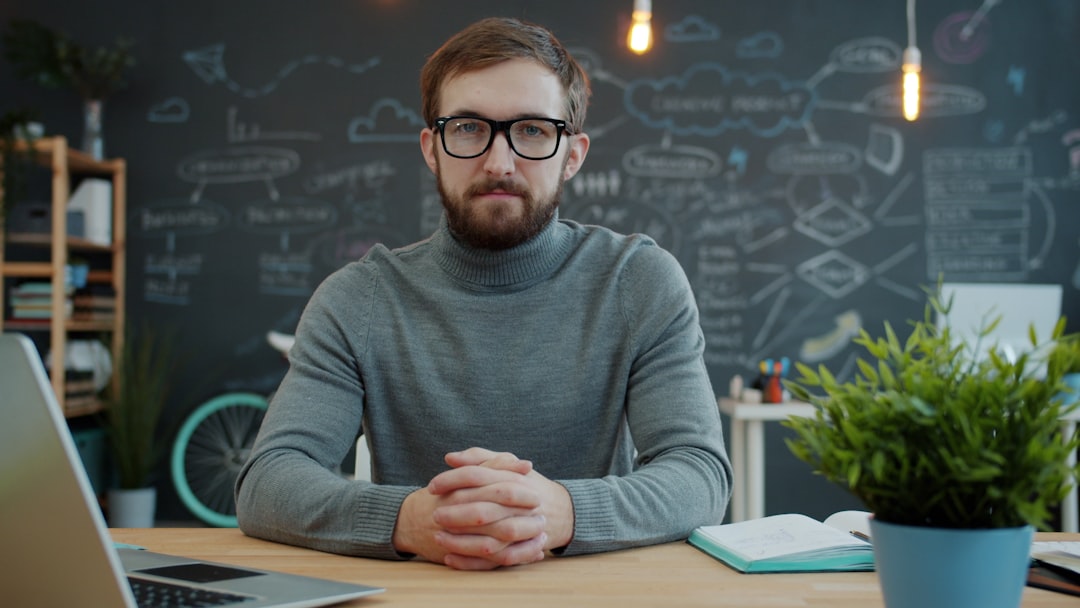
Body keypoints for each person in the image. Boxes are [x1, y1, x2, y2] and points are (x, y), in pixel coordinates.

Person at [235, 16, 733, 571]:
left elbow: (699, 474)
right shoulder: (358, 299)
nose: (499, 162)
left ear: (573, 153)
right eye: (469, 128)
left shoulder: (639, 281)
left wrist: (559, 512)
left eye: (533, 131)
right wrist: (411, 521)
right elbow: (268, 480)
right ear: (432, 148)